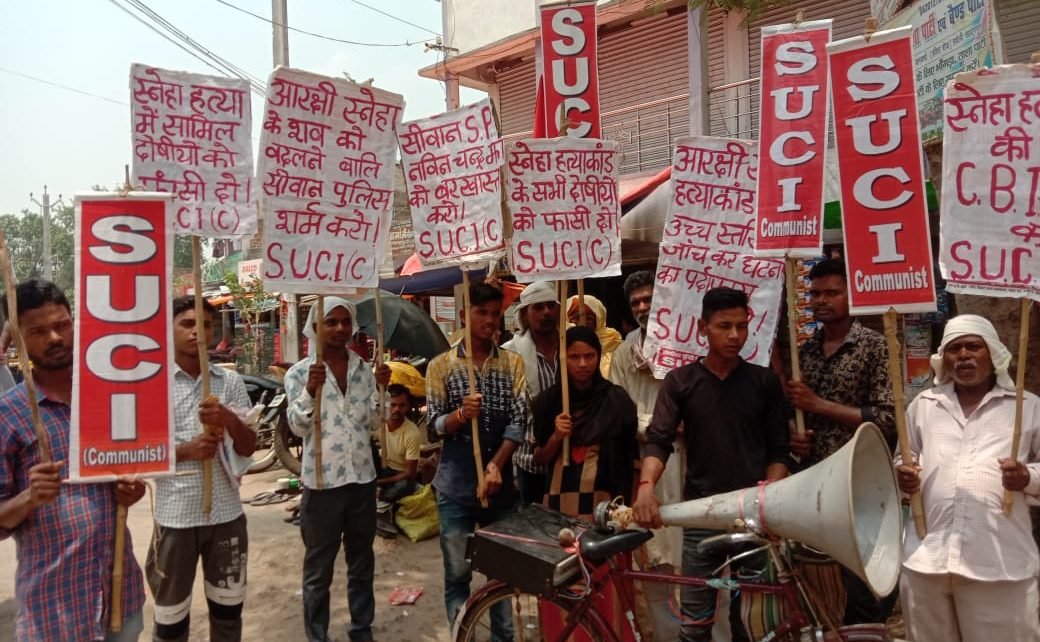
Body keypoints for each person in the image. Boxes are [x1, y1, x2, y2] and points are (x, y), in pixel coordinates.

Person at [634, 287, 790, 642]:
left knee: (751, 625)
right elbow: (659, 440)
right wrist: (646, 488)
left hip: (752, 519)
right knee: (695, 625)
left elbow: (779, 451)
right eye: (724, 326)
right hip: (700, 516)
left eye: (741, 326)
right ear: (702, 328)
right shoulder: (680, 382)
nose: (735, 335)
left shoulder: (764, 382)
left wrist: (768, 496)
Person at [0, 278, 147, 641]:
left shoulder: (111, 399)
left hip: (122, 599)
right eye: (37, 331)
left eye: (62, 324)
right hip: (54, 614)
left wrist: (132, 490)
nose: (54, 338)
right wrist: (29, 498)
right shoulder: (8, 416)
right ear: (17, 338)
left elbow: (129, 474)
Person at [896, 315, 1040, 642]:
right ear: (943, 358)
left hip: (999, 564)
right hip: (926, 560)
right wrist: (905, 474)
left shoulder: (1027, 406)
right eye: (954, 348)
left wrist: (1026, 477)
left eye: (973, 346)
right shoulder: (923, 406)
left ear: (993, 353)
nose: (963, 355)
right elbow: (905, 456)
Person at [785, 259, 896, 624]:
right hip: (814, 484)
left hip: (860, 484)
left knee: (861, 585)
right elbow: (796, 414)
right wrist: (795, 435)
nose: (821, 300)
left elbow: (888, 418)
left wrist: (818, 404)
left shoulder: (876, 347)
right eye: (815, 293)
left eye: (832, 292)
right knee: (820, 587)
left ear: (852, 295)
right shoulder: (804, 353)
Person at [148, 297, 256, 642]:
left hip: (226, 516)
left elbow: (248, 446)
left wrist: (228, 419)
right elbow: (140, 453)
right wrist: (186, 451)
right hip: (175, 518)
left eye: (206, 325)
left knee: (228, 615)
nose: (197, 331)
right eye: (187, 323)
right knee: (170, 621)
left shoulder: (229, 382)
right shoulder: (152, 384)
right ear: (169, 329)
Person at [283, 296, 391, 642]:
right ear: (315, 327)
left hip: (361, 481)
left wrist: (383, 389)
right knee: (319, 569)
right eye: (331, 321)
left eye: (345, 321)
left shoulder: (363, 370)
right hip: (321, 485)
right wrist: (309, 390)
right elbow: (297, 426)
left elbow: (376, 422)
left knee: (362, 564)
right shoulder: (299, 373)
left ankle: (361, 630)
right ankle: (318, 636)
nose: (340, 328)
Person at [426, 282, 527, 636]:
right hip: (455, 488)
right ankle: (462, 635)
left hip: (501, 489)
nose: (489, 320)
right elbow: (433, 426)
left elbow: (519, 422)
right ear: (463, 315)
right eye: (481, 312)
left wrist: (497, 465)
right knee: (457, 576)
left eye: (494, 314)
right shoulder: (441, 366)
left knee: (502, 576)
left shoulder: (513, 363)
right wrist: (459, 415)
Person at [608, 271, 684, 574]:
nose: (642, 307)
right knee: (655, 546)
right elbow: (619, 407)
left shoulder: (687, 346)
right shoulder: (624, 353)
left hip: (690, 452)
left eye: (648, 299)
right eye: (635, 302)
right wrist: (653, 426)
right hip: (647, 454)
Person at [533, 325, 638, 519]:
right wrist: (556, 437)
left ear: (598, 356)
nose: (582, 364)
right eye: (574, 357)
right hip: (560, 498)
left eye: (589, 356)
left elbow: (631, 457)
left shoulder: (616, 400)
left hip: (607, 498)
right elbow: (539, 458)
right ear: (562, 358)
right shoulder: (548, 401)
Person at [501, 280, 560, 504]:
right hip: (529, 460)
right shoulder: (509, 354)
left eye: (551, 305)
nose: (546, 312)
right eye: (538, 307)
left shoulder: (572, 347)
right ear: (525, 315)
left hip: (569, 457)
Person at [377, 383, 422, 504]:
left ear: (407, 406)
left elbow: (410, 473)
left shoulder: (412, 432)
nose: (397, 409)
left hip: (400, 475)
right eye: (393, 405)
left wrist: (381, 482)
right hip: (381, 469)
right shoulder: (378, 423)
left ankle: (379, 494)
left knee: (405, 485)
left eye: (401, 405)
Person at [566, 294, 623, 377]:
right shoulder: (559, 345)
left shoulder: (614, 343)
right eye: (576, 318)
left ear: (598, 321)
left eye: (589, 319)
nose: (582, 323)